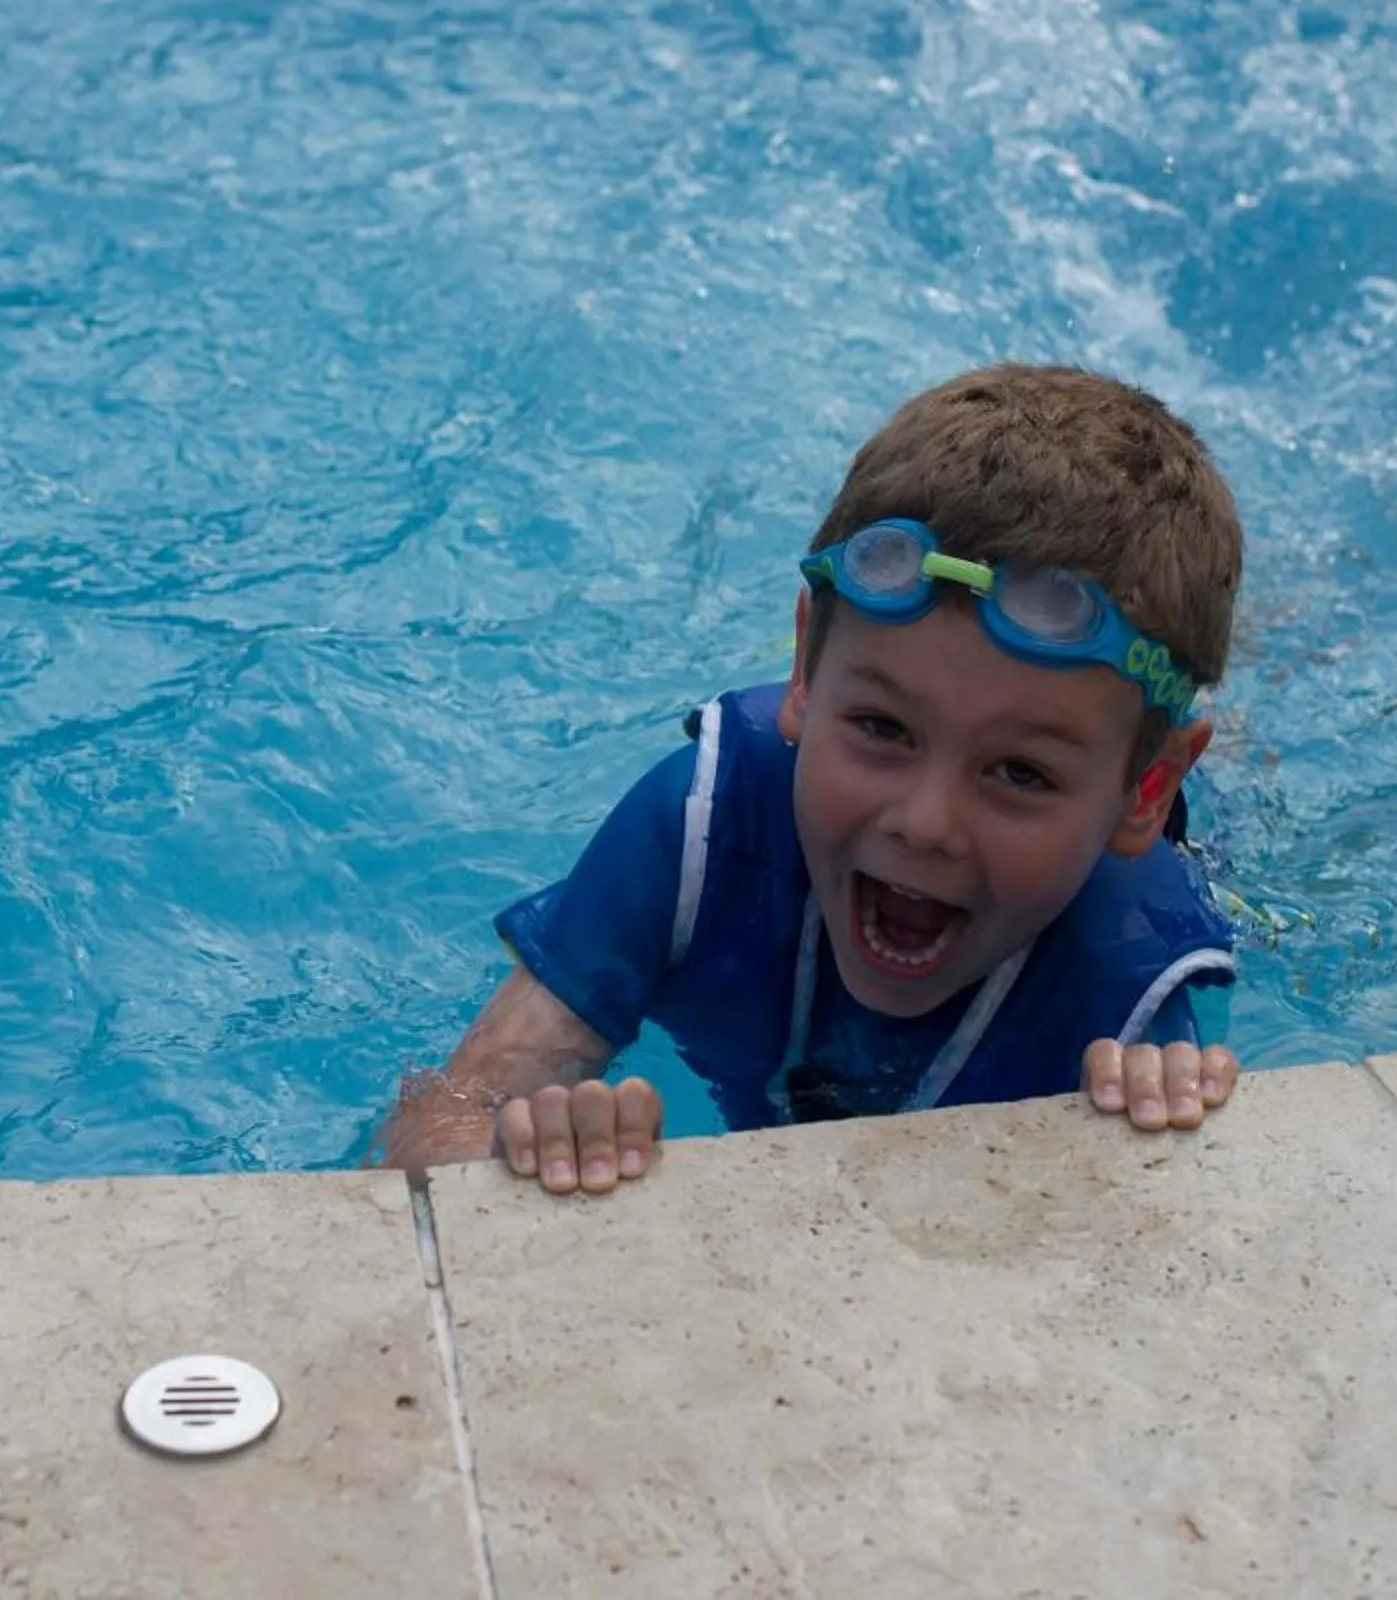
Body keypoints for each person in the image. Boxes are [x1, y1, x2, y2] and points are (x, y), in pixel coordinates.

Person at [377, 363, 1247, 1192]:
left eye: (1019, 772)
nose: (925, 822)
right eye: (882, 728)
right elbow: (444, 1121)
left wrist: (1145, 1132)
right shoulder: (705, 828)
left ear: (1143, 790)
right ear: (804, 671)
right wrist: (509, 1154)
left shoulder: (1120, 978)